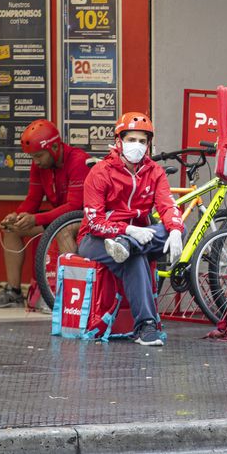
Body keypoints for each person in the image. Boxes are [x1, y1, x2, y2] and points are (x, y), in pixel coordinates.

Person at [76, 112, 184, 346]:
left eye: (143, 141)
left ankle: (127, 247)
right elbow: (94, 222)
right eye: (132, 139)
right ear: (119, 141)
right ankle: (146, 326)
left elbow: (167, 205)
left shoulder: (154, 171)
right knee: (134, 260)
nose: (137, 146)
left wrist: (175, 229)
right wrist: (126, 230)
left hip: (136, 238)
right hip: (97, 239)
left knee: (172, 230)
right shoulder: (100, 172)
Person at [0, 119, 90, 309]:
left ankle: (73, 295)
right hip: (58, 217)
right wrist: (16, 216)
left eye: (39, 156)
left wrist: (36, 219)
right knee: (11, 230)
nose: (36, 162)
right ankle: (14, 292)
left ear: (55, 147)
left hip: (81, 217)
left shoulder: (78, 160)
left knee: (62, 230)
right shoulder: (40, 165)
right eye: (33, 157)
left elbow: (74, 206)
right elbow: (33, 200)